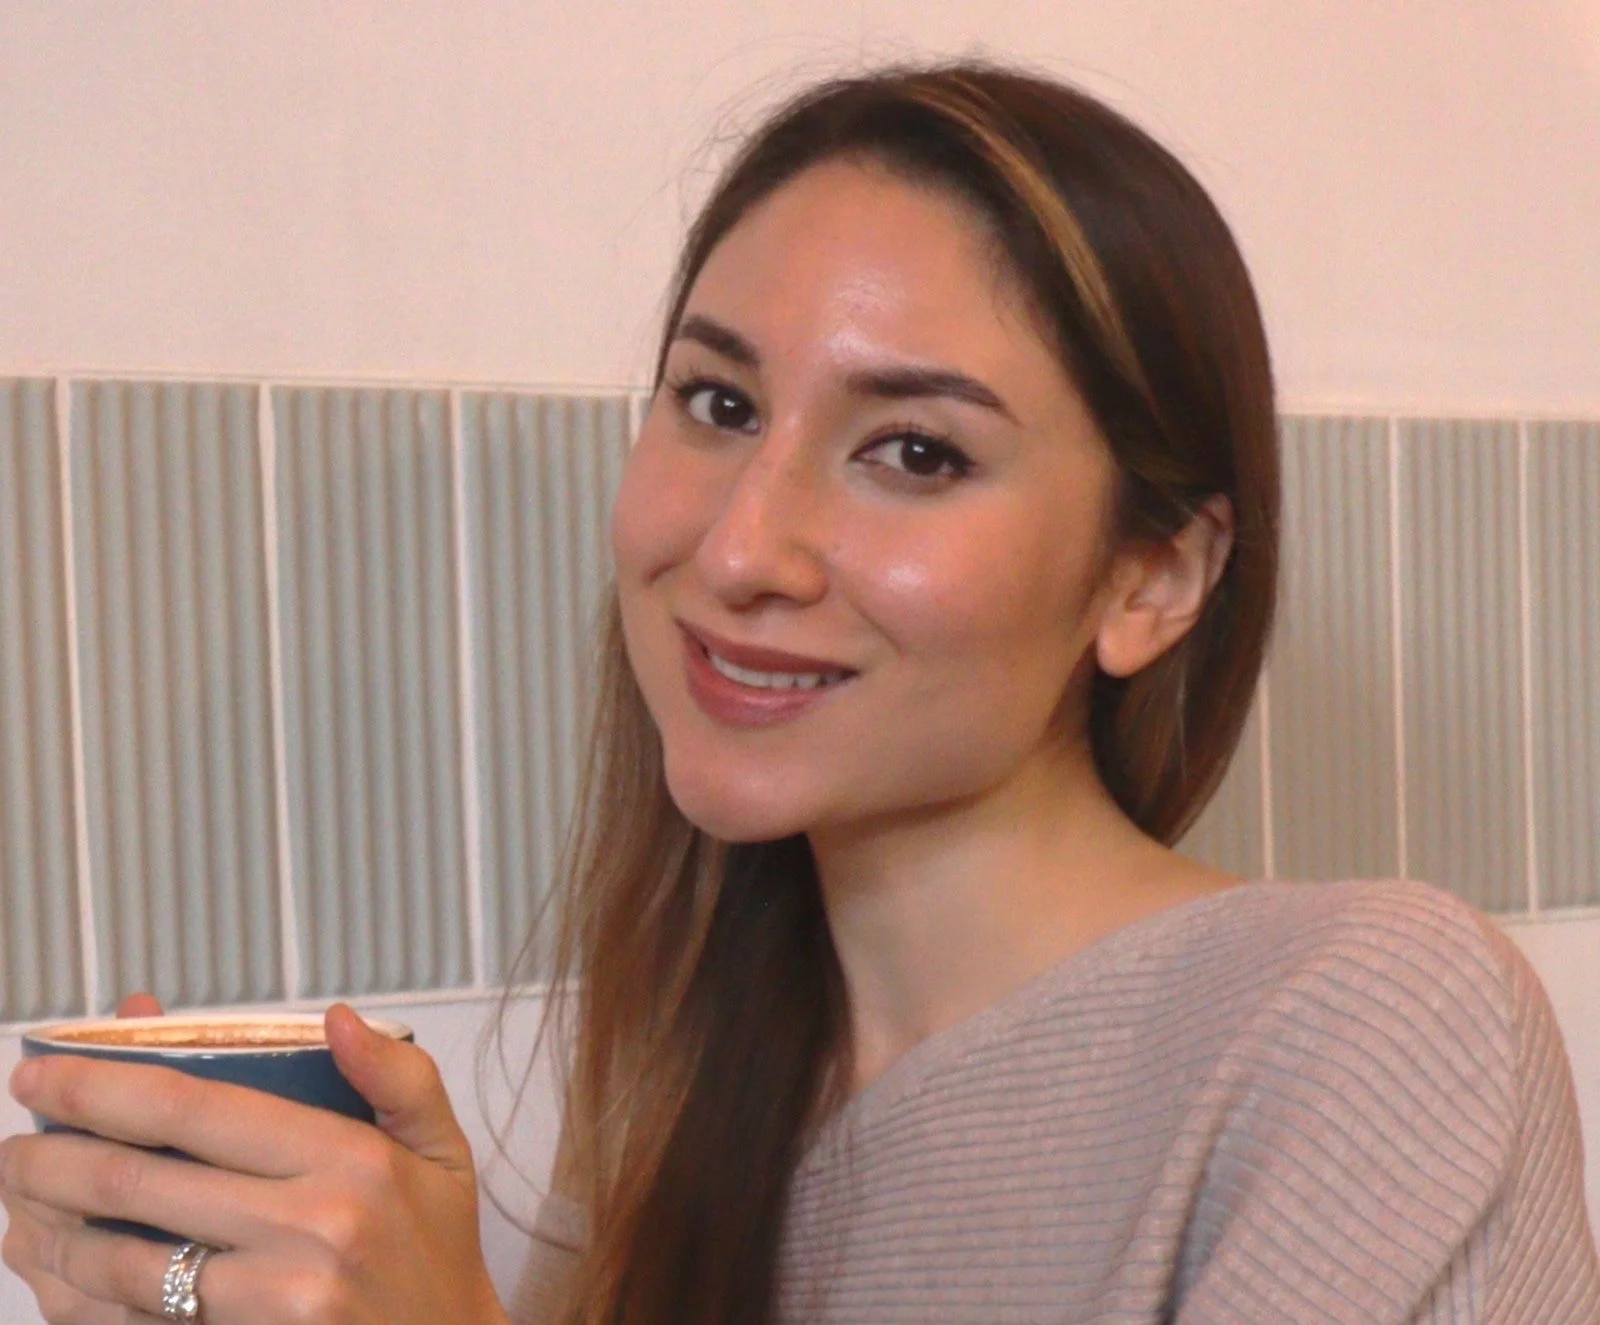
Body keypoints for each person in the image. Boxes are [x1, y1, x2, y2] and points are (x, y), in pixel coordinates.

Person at [2, 58, 1596, 1325]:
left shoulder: (1367, 1027)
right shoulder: (671, 1133)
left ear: (1153, 578)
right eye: (715, 402)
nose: (741, 545)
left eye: (915, 452)